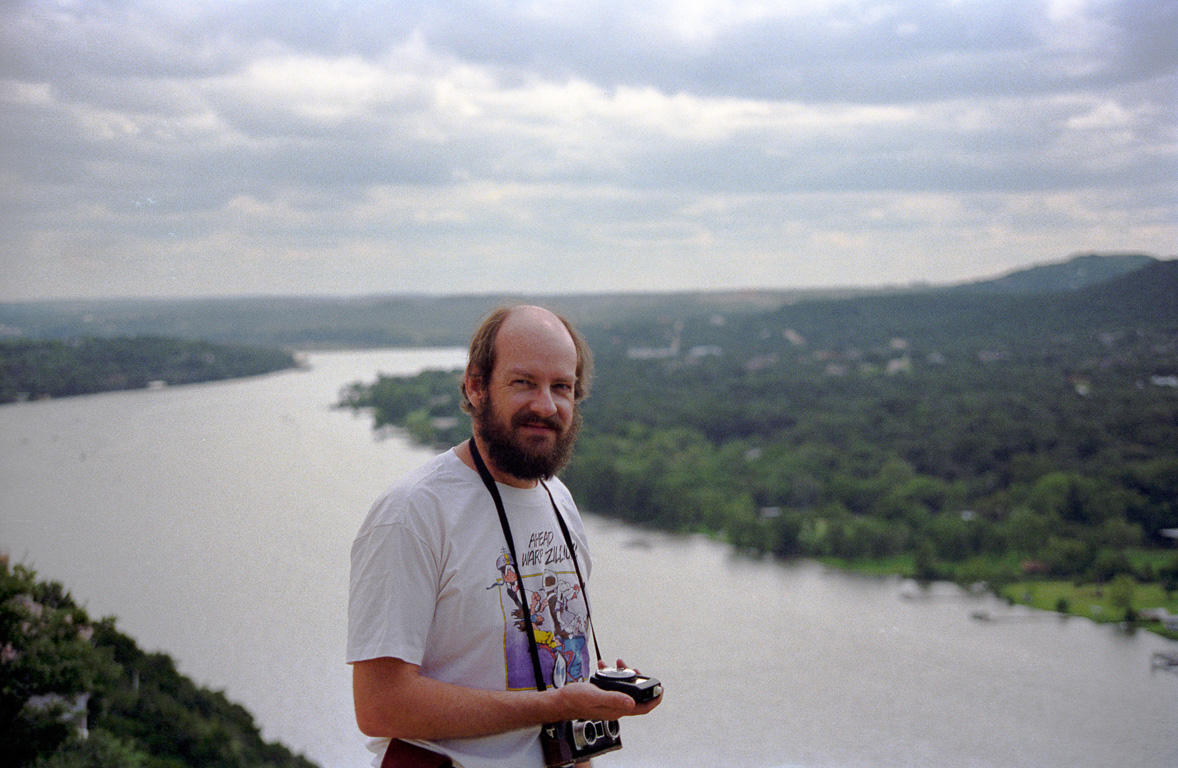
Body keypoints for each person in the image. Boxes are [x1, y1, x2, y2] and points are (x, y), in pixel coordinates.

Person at [348, 305, 661, 768]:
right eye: (523, 383)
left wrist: (585, 701)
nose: (546, 405)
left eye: (562, 387)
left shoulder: (558, 501)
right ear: (476, 386)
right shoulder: (413, 512)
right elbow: (380, 706)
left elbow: (563, 704)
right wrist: (553, 705)